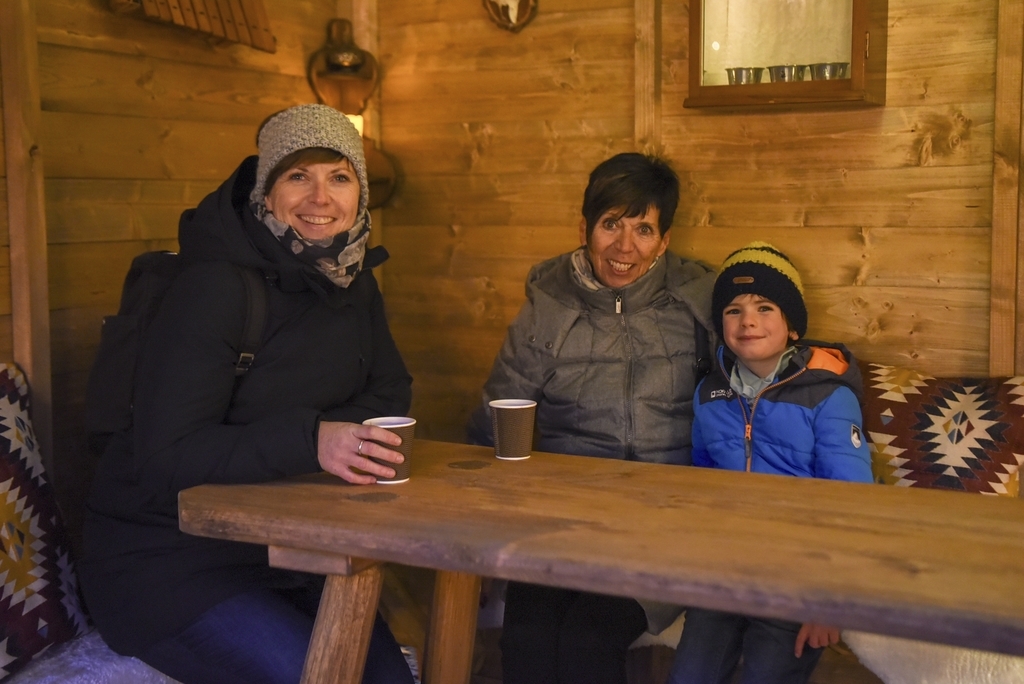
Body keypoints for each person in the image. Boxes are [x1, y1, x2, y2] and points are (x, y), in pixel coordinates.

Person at [79, 104, 416, 684]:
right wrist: (314, 441)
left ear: (359, 193)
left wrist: (327, 439)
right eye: (297, 176)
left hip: (287, 553)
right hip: (170, 562)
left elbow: (390, 390)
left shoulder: (352, 277)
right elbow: (169, 456)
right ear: (266, 190)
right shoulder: (214, 286)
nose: (320, 198)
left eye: (339, 177)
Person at [467, 152, 717, 684]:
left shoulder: (699, 304)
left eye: (644, 229)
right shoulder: (548, 305)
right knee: (528, 637)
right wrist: (479, 532)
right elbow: (495, 416)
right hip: (559, 518)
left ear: (665, 239)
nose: (625, 248)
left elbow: (762, 385)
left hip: (662, 523)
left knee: (588, 638)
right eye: (611, 225)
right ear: (584, 227)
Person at [668, 242, 873, 684]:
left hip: (798, 579)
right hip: (724, 574)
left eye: (765, 307)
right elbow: (701, 485)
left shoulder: (828, 396)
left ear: (792, 327)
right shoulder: (709, 394)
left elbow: (853, 504)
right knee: (689, 675)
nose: (748, 321)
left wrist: (828, 602)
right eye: (733, 310)